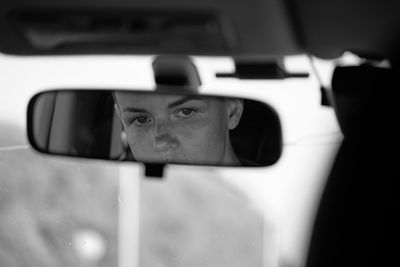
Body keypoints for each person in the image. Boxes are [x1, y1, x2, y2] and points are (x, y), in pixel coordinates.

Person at [113, 91, 244, 165]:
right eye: (141, 120)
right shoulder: (122, 206)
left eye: (185, 112)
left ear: (232, 111)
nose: (161, 143)